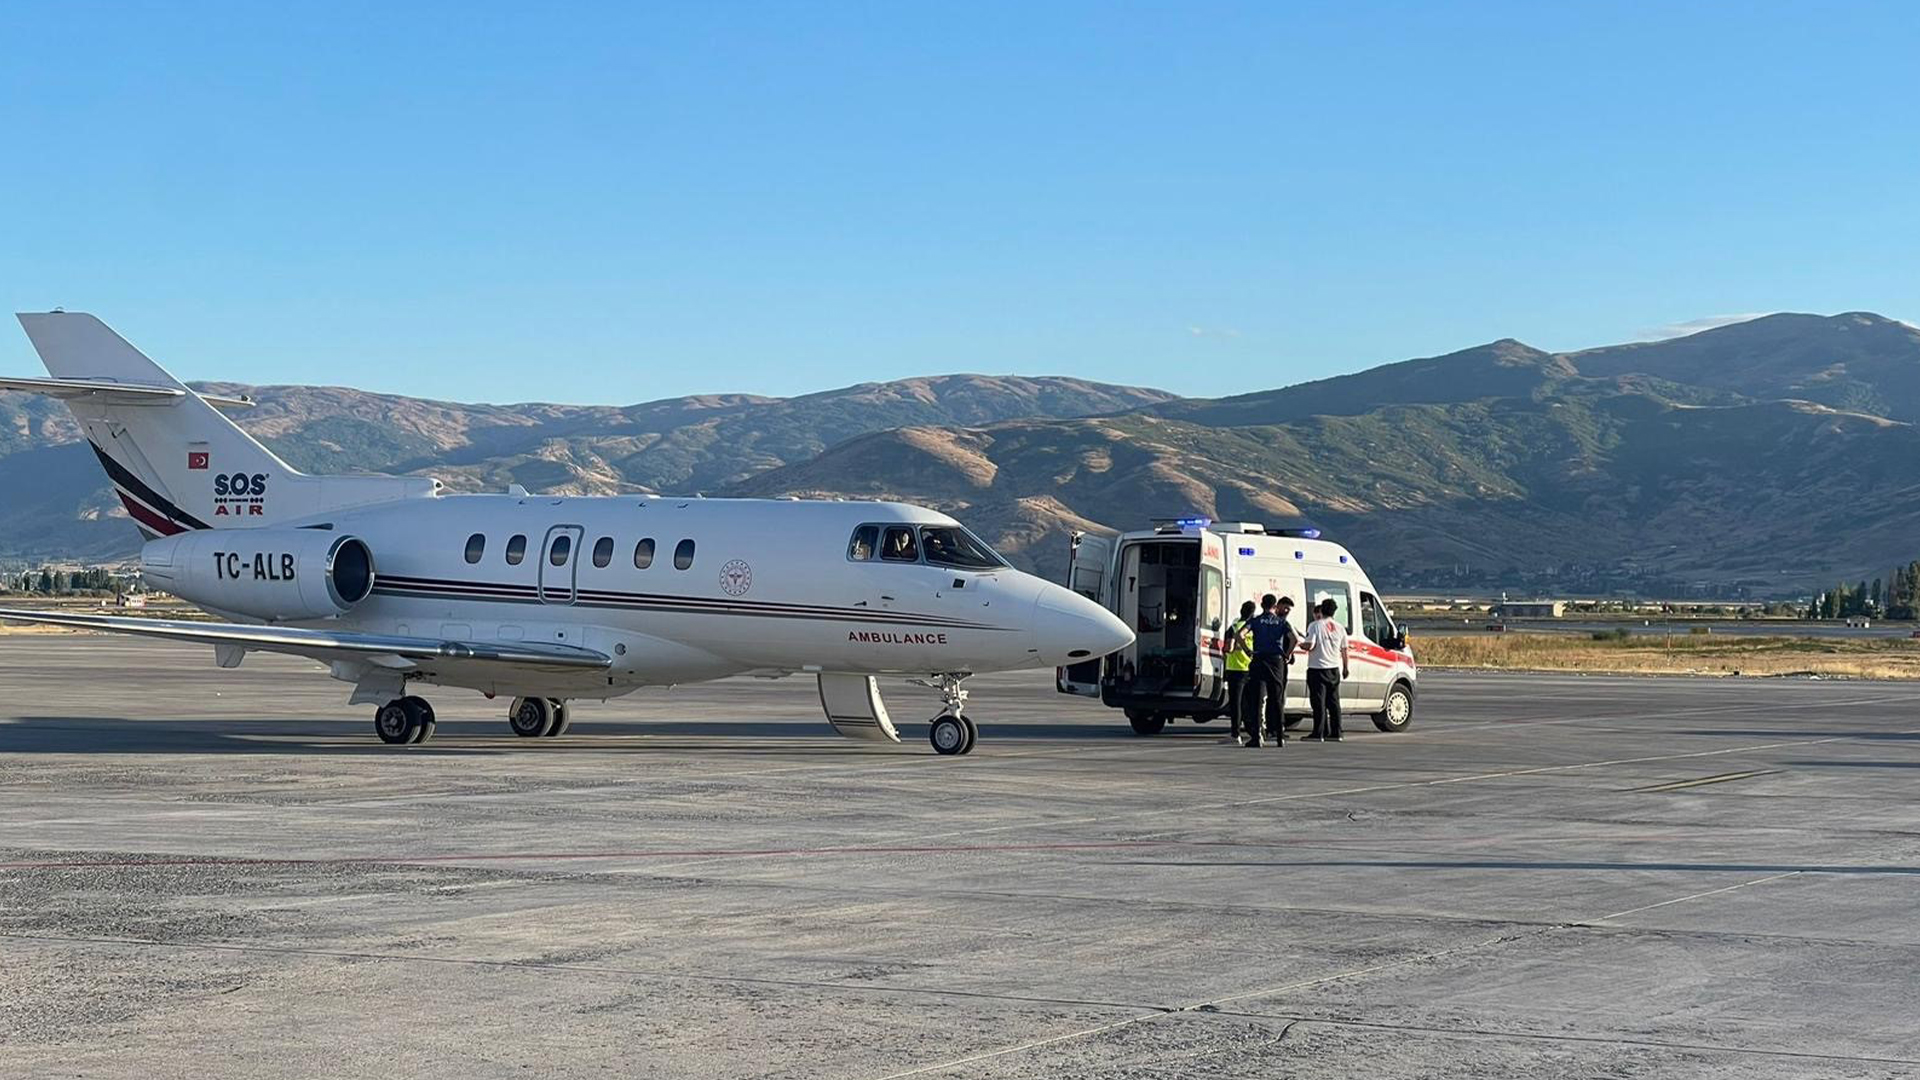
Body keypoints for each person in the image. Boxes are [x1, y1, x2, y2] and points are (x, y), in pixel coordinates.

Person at [1242, 594, 1299, 748]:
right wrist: (1287, 653)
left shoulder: (1255, 621)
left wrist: (1247, 649)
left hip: (1259, 659)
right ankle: (1280, 736)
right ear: (1275, 606)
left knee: (1258, 699)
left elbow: (1240, 634)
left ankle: (1257, 736)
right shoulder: (1281, 622)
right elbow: (1295, 639)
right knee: (1277, 698)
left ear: (1262, 605)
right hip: (1276, 661)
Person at [1304, 597, 1349, 741]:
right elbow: (1344, 650)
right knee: (1334, 702)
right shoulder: (1340, 628)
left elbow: (1310, 645)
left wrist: (1300, 644)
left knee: (1318, 702)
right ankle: (1337, 732)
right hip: (1334, 668)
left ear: (1321, 610)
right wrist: (1345, 667)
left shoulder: (1315, 626)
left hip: (1317, 668)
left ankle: (1319, 732)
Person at [1221, 600, 1256, 743]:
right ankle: (1253, 730)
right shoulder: (1253, 628)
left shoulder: (1234, 627)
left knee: (1236, 703)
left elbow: (1229, 648)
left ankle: (1235, 734)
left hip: (1235, 668)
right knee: (1250, 702)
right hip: (1250, 667)